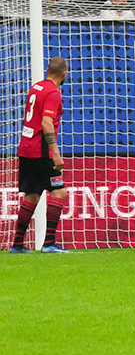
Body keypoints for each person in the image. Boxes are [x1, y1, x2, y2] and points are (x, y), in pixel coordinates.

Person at [10, 57, 70, 253]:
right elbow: (46, 123)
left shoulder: (36, 87)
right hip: (41, 150)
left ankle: (18, 245)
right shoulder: (53, 92)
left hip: (26, 147)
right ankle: (49, 244)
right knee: (59, 192)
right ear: (64, 73)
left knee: (32, 194)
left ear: (47, 70)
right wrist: (56, 153)